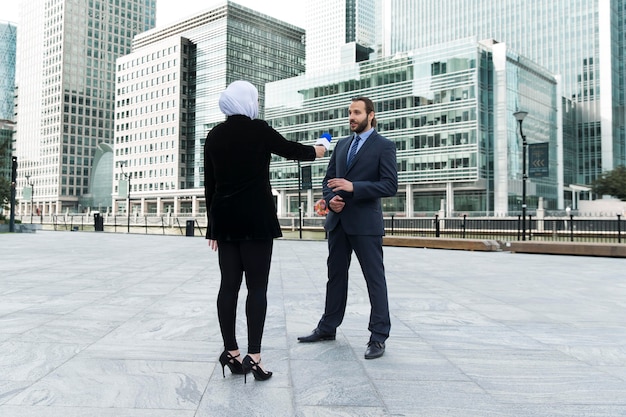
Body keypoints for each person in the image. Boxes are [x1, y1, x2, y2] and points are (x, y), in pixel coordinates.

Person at [204, 80, 326, 382]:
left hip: (226, 224)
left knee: (228, 286)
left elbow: (210, 186)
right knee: (257, 288)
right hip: (256, 222)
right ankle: (254, 357)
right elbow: (291, 151)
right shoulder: (258, 130)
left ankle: (231, 351)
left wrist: (212, 228)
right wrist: (322, 148)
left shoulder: (214, 136)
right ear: (249, 102)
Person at [298, 96, 398, 360]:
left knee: (374, 280)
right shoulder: (342, 145)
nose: (351, 117)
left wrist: (355, 188)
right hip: (338, 221)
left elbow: (390, 185)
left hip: (365, 224)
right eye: (349, 113)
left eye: (356, 112)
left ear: (370, 115)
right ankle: (328, 327)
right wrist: (332, 201)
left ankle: (378, 337)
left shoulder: (384, 146)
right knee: (336, 276)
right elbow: (328, 180)